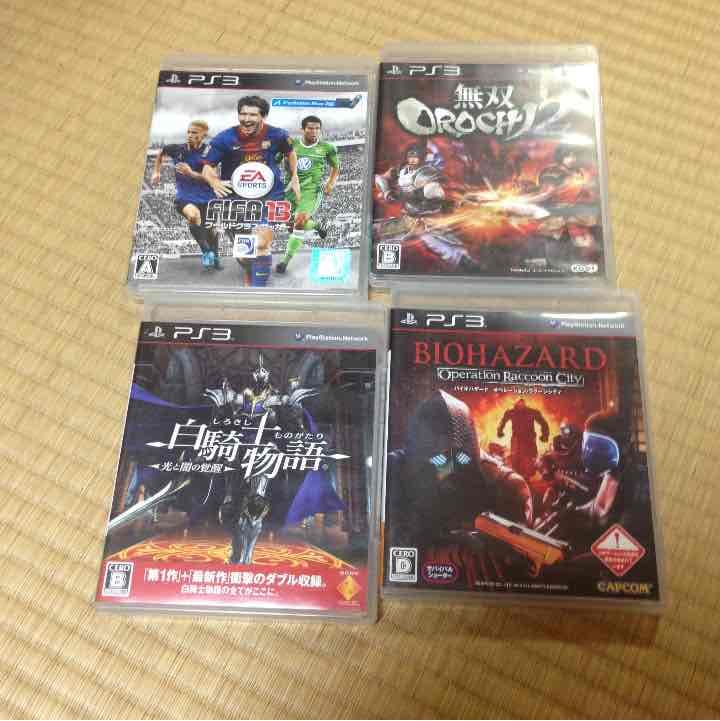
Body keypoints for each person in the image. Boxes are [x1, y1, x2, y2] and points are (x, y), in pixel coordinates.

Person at [201, 96, 299, 286]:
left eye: (252, 115)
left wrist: (294, 176)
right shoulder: (224, 138)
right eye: (243, 114)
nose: (246, 119)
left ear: (263, 116)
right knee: (244, 255)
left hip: (267, 196)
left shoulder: (278, 135)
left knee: (261, 243)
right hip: (235, 201)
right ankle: (248, 268)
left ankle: (258, 289)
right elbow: (207, 167)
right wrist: (213, 181)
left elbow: (290, 152)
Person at [151, 120, 220, 269]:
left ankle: (215, 256)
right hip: (185, 196)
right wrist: (156, 172)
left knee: (211, 231)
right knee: (193, 216)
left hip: (207, 197)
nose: (190, 135)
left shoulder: (210, 153)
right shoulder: (177, 149)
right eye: (188, 132)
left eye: (194, 133)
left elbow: (211, 179)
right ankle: (206, 251)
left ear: (203, 135)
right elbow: (161, 153)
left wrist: (191, 173)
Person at [276, 115, 339, 275]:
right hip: (290, 189)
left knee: (299, 222)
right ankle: (316, 226)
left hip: (311, 191)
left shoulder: (326, 148)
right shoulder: (292, 145)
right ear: (302, 129)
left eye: (317, 128)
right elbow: (275, 160)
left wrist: (331, 183)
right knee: (291, 225)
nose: (314, 131)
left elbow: (336, 167)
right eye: (310, 128)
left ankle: (284, 262)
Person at [497, 399, 549, 478]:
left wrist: (545, 435)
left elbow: (543, 423)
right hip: (518, 440)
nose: (520, 405)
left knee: (530, 460)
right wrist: (500, 431)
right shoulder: (512, 412)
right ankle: (521, 476)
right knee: (516, 461)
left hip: (528, 439)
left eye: (521, 404)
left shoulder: (531, 412)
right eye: (519, 404)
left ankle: (527, 475)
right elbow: (502, 422)